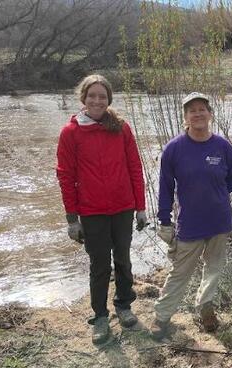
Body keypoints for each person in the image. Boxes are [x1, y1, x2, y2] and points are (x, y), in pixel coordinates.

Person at [56, 74, 148, 345]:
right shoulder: (70, 133)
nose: (97, 100)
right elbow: (65, 176)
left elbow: (134, 168)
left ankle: (124, 305)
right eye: (92, 95)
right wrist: (72, 219)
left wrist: (140, 208)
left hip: (123, 208)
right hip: (92, 212)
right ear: (83, 98)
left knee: (123, 259)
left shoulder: (121, 128)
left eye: (102, 96)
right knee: (99, 265)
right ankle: (100, 316)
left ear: (109, 100)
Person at [150, 92, 232, 340]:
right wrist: (164, 220)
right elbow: (166, 187)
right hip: (190, 223)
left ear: (210, 114)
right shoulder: (174, 149)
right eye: (192, 110)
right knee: (181, 271)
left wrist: (218, 194)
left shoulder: (222, 146)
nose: (198, 114)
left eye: (203, 109)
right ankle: (161, 316)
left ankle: (206, 307)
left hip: (219, 221)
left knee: (214, 268)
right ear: (186, 117)